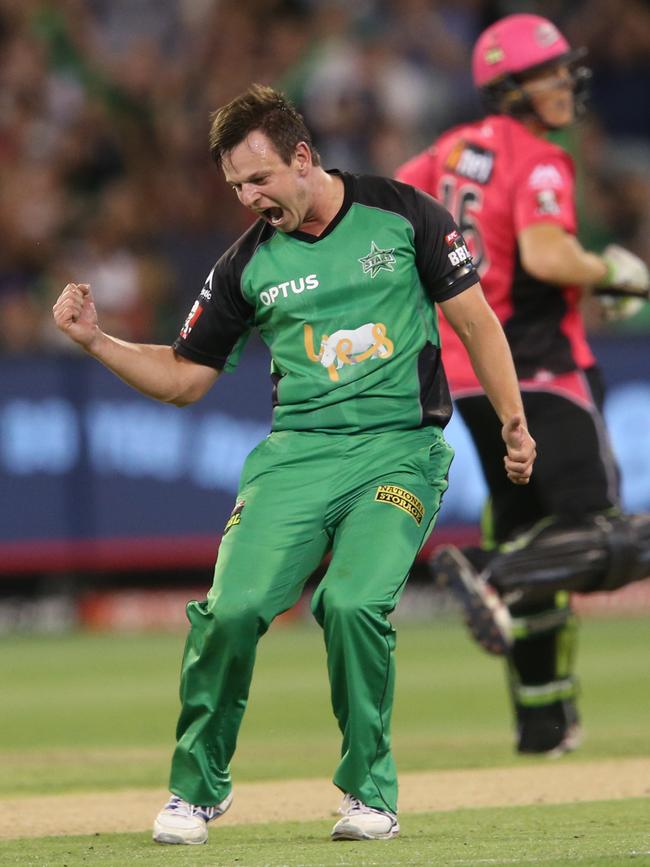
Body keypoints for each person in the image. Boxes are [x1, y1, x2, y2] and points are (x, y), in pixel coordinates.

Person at [53, 84, 536, 845]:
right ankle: (196, 791)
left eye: (259, 179)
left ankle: (369, 793)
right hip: (295, 457)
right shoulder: (245, 264)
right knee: (232, 610)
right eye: (236, 187)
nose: (249, 198)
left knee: (349, 603)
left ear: (302, 158)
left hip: (399, 450)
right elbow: (185, 377)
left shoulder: (404, 214)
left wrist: (512, 420)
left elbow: (474, 320)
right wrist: (96, 341)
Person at [396, 14, 650, 758]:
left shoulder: (441, 154)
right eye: (551, 73)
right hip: (541, 365)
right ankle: (488, 575)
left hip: (468, 373)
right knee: (606, 535)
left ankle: (543, 725)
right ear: (512, 87)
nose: (567, 82)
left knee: (537, 537)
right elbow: (546, 252)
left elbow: (384, 219)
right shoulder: (539, 157)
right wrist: (615, 267)